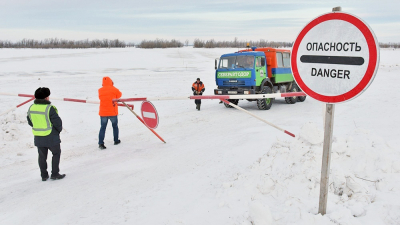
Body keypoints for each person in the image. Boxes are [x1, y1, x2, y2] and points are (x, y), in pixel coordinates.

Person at [27, 87, 66, 181]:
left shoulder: (31, 107)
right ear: (46, 97)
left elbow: (30, 121)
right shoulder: (49, 108)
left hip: (38, 136)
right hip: (51, 135)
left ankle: (44, 175)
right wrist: (57, 131)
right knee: (56, 153)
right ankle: (55, 173)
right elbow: (57, 123)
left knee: (42, 156)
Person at [98, 76, 122, 150]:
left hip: (103, 113)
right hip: (112, 112)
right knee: (115, 126)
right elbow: (119, 95)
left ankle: (101, 143)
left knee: (103, 127)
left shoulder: (100, 90)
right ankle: (116, 140)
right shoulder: (114, 89)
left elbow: (100, 98)